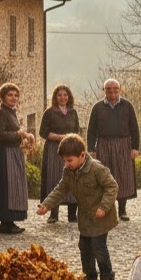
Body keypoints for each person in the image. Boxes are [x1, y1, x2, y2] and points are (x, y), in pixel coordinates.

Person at [37, 134, 119, 280]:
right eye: (64, 161)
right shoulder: (68, 172)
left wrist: (103, 207)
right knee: (84, 247)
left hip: (101, 217)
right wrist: (46, 204)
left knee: (98, 247)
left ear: (82, 155)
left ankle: (107, 277)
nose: (67, 164)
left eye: (69, 160)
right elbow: (61, 189)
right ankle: (89, 277)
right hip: (85, 218)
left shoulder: (96, 169)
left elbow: (112, 187)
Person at [87, 79, 140, 221]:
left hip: (123, 146)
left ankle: (122, 210)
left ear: (119, 90)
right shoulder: (97, 108)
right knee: (104, 178)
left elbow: (134, 128)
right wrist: (91, 149)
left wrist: (135, 147)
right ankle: (106, 210)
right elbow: (91, 130)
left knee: (123, 177)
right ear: (104, 91)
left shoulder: (127, 106)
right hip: (104, 145)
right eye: (109, 89)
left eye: (115, 89)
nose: (112, 92)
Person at [0, 83, 30, 234]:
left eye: (16, 95)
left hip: (13, 153)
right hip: (3, 155)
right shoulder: (0, 113)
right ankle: (6, 223)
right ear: (3, 96)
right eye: (10, 95)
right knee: (6, 188)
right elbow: (0, 135)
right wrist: (19, 134)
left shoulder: (11, 112)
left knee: (14, 188)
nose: (13, 98)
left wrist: (22, 140)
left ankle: (10, 222)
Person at [39, 84, 80, 223]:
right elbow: (43, 133)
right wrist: (60, 137)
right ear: (55, 97)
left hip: (71, 149)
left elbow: (77, 131)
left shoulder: (73, 112)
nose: (63, 98)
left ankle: (72, 214)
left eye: (65, 95)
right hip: (53, 150)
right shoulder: (49, 113)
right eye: (59, 95)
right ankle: (53, 214)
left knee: (73, 179)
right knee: (54, 179)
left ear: (69, 97)